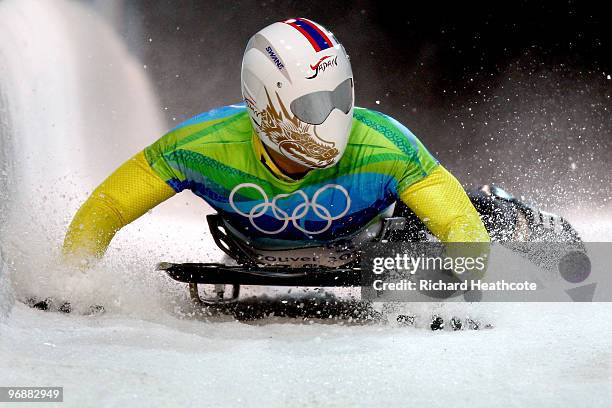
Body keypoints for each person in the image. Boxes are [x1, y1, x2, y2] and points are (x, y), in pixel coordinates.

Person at [63, 18, 493, 269]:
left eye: (342, 97)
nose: (334, 118)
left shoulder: (387, 143)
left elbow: (459, 222)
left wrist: (470, 293)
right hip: (285, 242)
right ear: (265, 103)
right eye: (312, 105)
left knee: (484, 212)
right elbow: (108, 208)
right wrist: (73, 282)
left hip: (369, 237)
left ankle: (531, 219)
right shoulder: (198, 146)